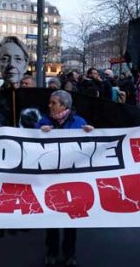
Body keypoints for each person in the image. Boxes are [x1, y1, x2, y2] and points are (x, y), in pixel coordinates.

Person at [36, 90, 94, 266]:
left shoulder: (79, 123)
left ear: (64, 105)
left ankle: (70, 253)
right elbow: (31, 146)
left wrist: (91, 133)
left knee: (70, 218)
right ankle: (51, 251)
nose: (49, 106)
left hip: (72, 179)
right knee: (52, 217)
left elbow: (90, 147)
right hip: (50, 179)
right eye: (50, 103)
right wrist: (39, 133)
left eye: (53, 103)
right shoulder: (43, 122)